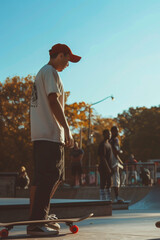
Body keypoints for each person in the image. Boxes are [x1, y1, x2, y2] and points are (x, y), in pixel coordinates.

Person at [28, 43, 81, 236]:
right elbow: (52, 100)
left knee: (42, 177)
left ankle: (38, 217)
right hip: (50, 134)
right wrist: (66, 128)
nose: (68, 64)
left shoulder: (41, 73)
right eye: (68, 59)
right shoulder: (51, 72)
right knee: (52, 176)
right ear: (60, 55)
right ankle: (37, 221)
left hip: (40, 133)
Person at [109, 126, 124, 203]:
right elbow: (116, 151)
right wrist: (120, 155)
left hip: (109, 161)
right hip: (114, 162)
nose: (118, 133)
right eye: (117, 131)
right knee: (116, 179)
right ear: (113, 131)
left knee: (111, 179)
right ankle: (117, 197)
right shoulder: (115, 140)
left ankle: (110, 196)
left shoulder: (109, 140)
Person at [98, 129, 113, 201]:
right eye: (108, 134)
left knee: (109, 182)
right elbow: (102, 157)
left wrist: (111, 167)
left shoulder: (109, 144)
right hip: (103, 167)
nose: (109, 135)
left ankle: (108, 198)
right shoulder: (102, 144)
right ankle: (102, 198)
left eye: (110, 134)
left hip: (109, 166)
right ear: (104, 135)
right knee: (103, 182)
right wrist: (107, 168)